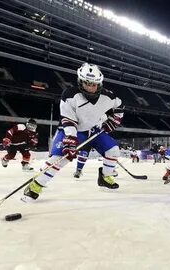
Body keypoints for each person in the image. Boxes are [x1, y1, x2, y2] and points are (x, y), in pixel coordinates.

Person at [22, 63, 123, 202]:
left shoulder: (108, 97)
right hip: (71, 129)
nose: (91, 87)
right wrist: (70, 139)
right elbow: (69, 120)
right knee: (60, 158)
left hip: (93, 131)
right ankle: (35, 185)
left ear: (100, 83)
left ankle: (105, 177)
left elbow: (120, 105)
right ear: (80, 82)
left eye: (94, 84)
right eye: (87, 83)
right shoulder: (69, 95)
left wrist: (116, 119)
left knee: (113, 150)